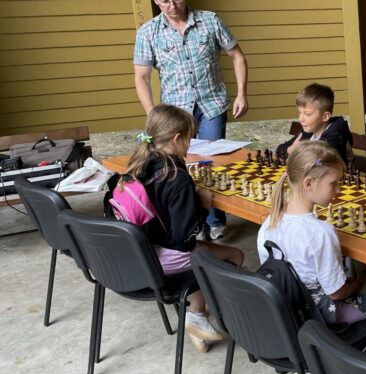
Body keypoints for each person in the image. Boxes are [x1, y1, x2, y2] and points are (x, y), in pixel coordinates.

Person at [118, 104, 245, 353]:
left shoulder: (137, 164)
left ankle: (198, 316)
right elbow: (185, 239)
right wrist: (203, 207)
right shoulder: (177, 177)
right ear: (177, 139)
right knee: (235, 255)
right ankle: (197, 316)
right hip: (161, 258)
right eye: (190, 138)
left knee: (204, 253)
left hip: (137, 253)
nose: (191, 144)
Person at [133, 0, 249, 240]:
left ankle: (215, 220)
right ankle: (189, 220)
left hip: (211, 105)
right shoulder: (148, 32)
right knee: (179, 165)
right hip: (175, 112)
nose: (172, 5)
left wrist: (241, 94)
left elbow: (237, 56)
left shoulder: (210, 20)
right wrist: (152, 114)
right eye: (164, 0)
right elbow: (141, 77)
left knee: (211, 162)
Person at [257, 141, 366, 324]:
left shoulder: (268, 224)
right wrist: (352, 287)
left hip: (286, 312)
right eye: (333, 183)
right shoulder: (321, 232)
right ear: (309, 183)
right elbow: (335, 293)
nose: (338, 189)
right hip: (318, 314)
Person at [276, 83, 353, 164]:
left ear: (325, 116)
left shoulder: (335, 138)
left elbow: (322, 163)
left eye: (307, 114)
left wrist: (297, 152)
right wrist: (290, 149)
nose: (300, 119)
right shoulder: (307, 132)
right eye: (299, 113)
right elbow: (280, 149)